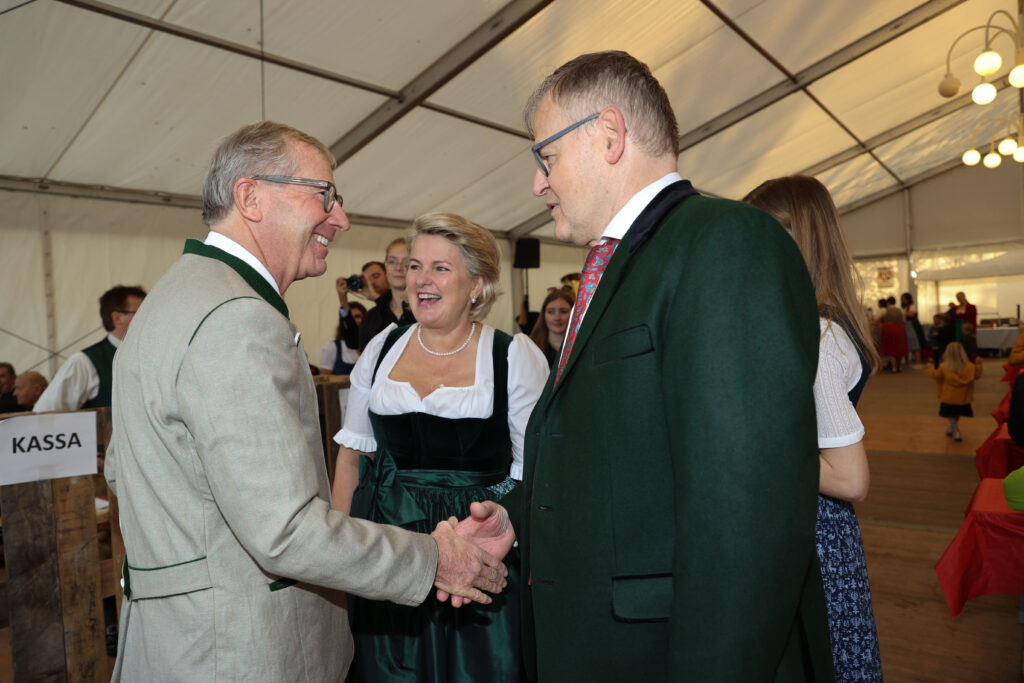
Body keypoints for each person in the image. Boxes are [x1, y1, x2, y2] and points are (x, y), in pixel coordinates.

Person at [455, 51, 834, 681]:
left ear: (609, 135)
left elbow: (745, 513)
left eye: (545, 158)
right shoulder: (620, 264)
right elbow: (621, 455)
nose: (537, 184)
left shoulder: (726, 243)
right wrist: (517, 519)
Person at [103, 121, 508, 682]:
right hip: (237, 652)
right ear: (250, 197)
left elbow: (122, 471)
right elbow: (286, 531)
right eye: (325, 195)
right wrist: (435, 558)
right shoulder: (236, 319)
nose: (340, 218)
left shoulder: (170, 301)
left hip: (179, 639)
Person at [331, 212, 547, 681]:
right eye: (414, 266)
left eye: (440, 268)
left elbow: (538, 475)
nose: (421, 281)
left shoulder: (513, 357)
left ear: (477, 284)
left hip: (481, 551)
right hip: (392, 552)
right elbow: (352, 458)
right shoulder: (381, 349)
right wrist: (341, 558)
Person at [745, 175, 883, 682]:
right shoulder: (817, 320)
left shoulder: (820, 336)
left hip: (815, 531)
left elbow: (851, 480)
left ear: (793, 235)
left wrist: (760, 450)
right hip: (818, 528)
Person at [33, 285, 146, 412]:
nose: (149, 317)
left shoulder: (152, 356)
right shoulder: (84, 362)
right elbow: (45, 414)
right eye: (142, 312)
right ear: (117, 318)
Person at [357, 238, 416, 351]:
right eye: (392, 261)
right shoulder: (371, 317)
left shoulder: (426, 314)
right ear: (385, 267)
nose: (398, 268)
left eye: (405, 262)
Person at [928, 341, 983, 442]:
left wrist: (930, 368)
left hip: (949, 396)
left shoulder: (944, 367)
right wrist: (979, 365)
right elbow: (976, 376)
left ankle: (956, 430)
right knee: (957, 412)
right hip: (963, 396)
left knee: (950, 413)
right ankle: (952, 427)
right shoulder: (970, 366)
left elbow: (936, 375)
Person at [528, 289, 574, 368]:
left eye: (563, 311)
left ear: (574, 313)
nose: (557, 318)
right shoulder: (530, 348)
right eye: (551, 312)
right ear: (544, 315)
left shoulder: (583, 345)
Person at [320, 301, 366, 375]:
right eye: (350, 318)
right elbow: (325, 378)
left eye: (358, 316)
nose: (354, 321)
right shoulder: (332, 346)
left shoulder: (371, 345)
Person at [878, 295, 907, 372]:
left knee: (891, 348)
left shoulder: (885, 310)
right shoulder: (900, 310)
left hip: (889, 329)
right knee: (899, 348)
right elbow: (904, 320)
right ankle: (899, 367)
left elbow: (877, 318)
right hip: (900, 329)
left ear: (888, 302)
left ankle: (894, 367)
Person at [902, 292, 925, 365]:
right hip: (907, 326)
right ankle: (909, 361)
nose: (903, 301)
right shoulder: (905, 308)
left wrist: (903, 313)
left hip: (912, 326)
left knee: (915, 343)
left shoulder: (912, 306)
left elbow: (911, 314)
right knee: (909, 343)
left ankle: (918, 361)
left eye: (904, 299)